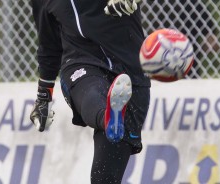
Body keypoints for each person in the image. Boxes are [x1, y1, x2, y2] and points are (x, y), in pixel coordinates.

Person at [29, 0, 150, 183]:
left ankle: (111, 117)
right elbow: (49, 45)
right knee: (92, 90)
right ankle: (109, 118)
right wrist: (43, 97)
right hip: (80, 63)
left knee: (104, 179)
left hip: (130, 74)